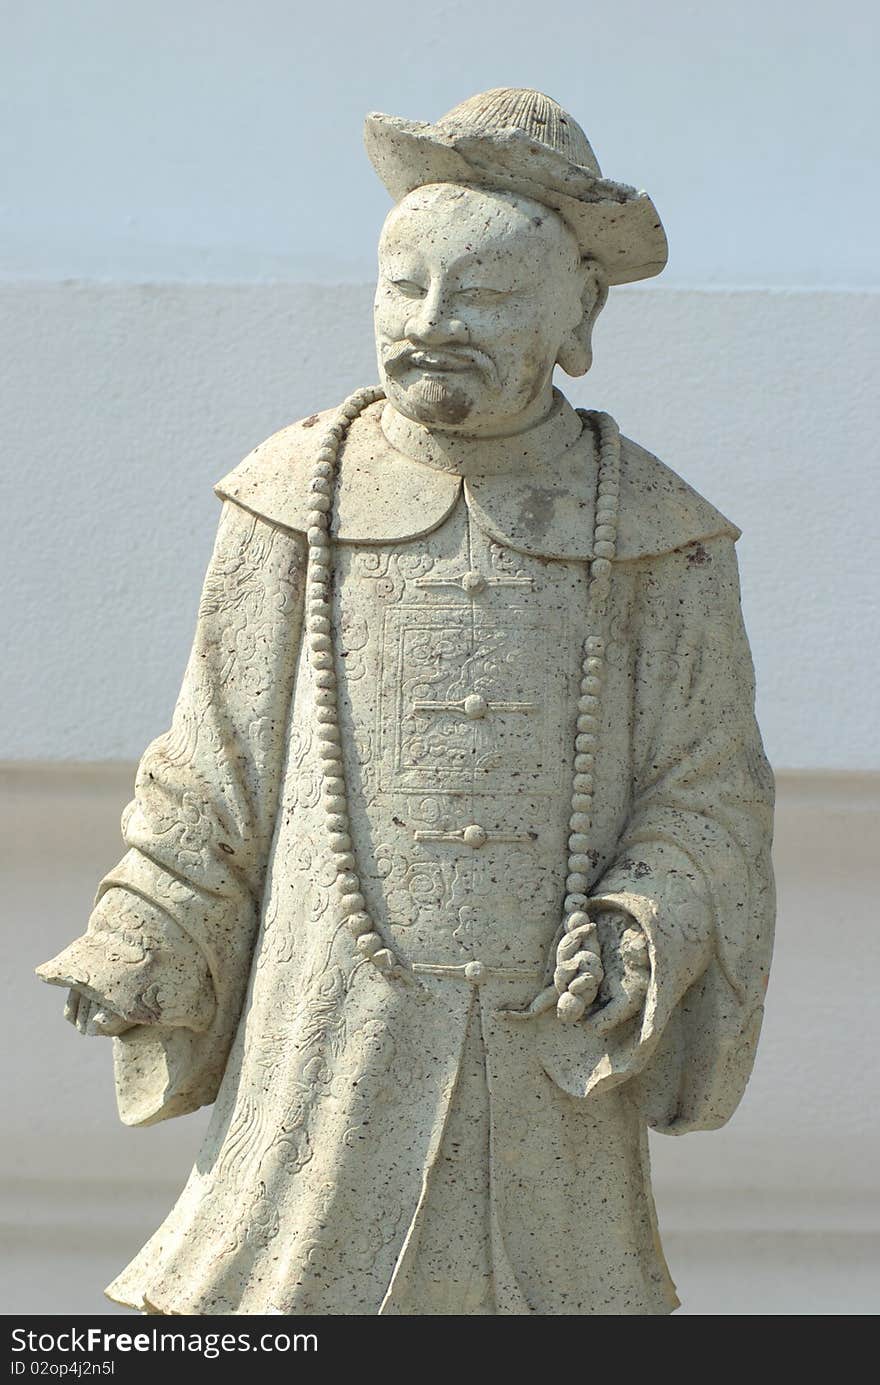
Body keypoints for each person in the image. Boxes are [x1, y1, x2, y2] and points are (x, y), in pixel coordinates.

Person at [37, 88, 774, 1315]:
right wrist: (145, 926)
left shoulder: (657, 533)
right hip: (328, 1032)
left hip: (550, 1051)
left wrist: (644, 923)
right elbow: (210, 764)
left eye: (481, 296)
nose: (431, 323)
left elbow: (710, 792)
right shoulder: (292, 496)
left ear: (573, 318)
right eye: (402, 287)